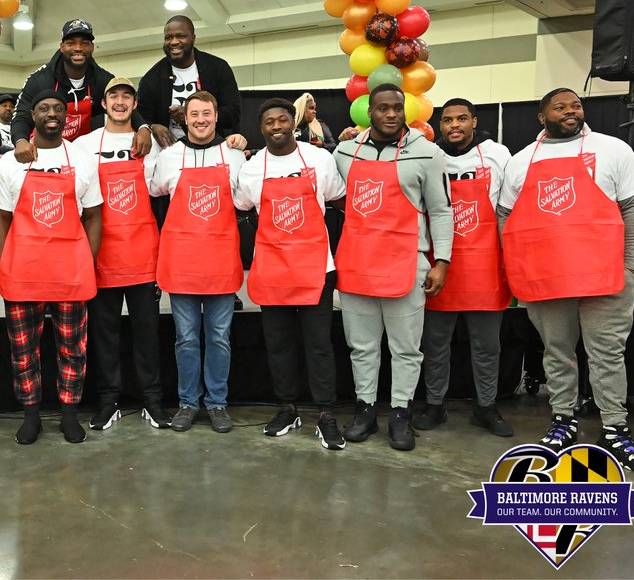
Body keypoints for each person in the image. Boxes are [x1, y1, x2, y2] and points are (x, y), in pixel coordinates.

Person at [498, 88, 634, 473]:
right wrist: (518, 268)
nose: (571, 111)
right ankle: (563, 419)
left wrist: (630, 267)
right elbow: (505, 217)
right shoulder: (521, 160)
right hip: (545, 277)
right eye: (560, 107)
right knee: (557, 351)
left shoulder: (612, 149)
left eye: (576, 106)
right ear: (542, 116)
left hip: (607, 276)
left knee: (607, 354)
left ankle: (614, 427)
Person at [332, 83, 453, 451]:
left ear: (405, 111)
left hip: (407, 262)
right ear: (369, 112)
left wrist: (441, 261)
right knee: (361, 346)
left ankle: (401, 413)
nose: (390, 114)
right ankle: (365, 410)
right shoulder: (344, 151)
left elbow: (441, 210)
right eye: (382, 108)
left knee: (406, 349)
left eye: (396, 108)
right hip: (356, 262)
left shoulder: (427, 153)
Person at [0, 89, 102, 444]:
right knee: (24, 350)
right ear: (33, 116)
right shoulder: (11, 162)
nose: (52, 114)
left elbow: (94, 215)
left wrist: (87, 260)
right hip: (23, 271)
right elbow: (0, 218)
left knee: (73, 348)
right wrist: (4, 264)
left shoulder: (82, 159)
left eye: (58, 108)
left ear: (66, 117)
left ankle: (69, 414)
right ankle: (31, 415)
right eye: (44, 108)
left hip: (70, 270)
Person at [236, 98, 347, 450]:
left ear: (292, 124)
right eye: (269, 121)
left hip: (316, 267)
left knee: (319, 345)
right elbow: (242, 205)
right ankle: (287, 407)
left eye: (282, 119)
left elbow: (337, 196)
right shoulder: (252, 168)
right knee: (279, 345)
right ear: (261, 128)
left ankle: (326, 413)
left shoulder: (319, 159)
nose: (276, 126)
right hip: (272, 268)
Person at [72, 78, 170, 430]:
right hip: (101, 253)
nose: (119, 101)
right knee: (104, 333)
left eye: (126, 96)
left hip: (143, 251)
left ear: (135, 104)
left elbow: (163, 188)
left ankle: (152, 400)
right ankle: (108, 400)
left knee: (147, 334)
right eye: (113, 95)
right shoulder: (83, 145)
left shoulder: (152, 145)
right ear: (103, 104)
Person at [414, 98, 513, 437]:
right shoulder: (428, 156)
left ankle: (486, 407)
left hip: (485, 264)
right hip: (439, 265)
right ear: (439, 125)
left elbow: (508, 206)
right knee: (435, 344)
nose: (454, 125)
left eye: (461, 119)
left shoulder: (498, 154)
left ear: (474, 121)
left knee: (487, 347)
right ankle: (434, 404)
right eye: (447, 120)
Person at [150, 91, 247, 433]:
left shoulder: (234, 155)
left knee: (219, 337)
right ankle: (188, 403)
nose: (201, 120)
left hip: (221, 260)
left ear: (217, 116)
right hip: (181, 262)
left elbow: (245, 200)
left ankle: (217, 403)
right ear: (184, 119)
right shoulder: (169, 157)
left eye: (207, 113)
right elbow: (157, 191)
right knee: (186, 339)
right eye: (194, 114)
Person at [10, 19, 152, 162]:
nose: (78, 48)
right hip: (45, 154)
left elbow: (123, 106)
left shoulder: (103, 80)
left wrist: (143, 128)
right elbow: (22, 115)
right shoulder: (40, 80)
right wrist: (20, 141)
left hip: (84, 155)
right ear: (62, 47)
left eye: (85, 43)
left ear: (92, 47)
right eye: (71, 43)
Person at [137, 15, 243, 147]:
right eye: (168, 37)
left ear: (193, 38)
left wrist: (193, 116)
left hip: (213, 147)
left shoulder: (217, 68)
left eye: (180, 36)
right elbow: (140, 117)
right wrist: (152, 127)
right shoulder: (152, 78)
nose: (174, 42)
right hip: (170, 151)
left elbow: (233, 113)